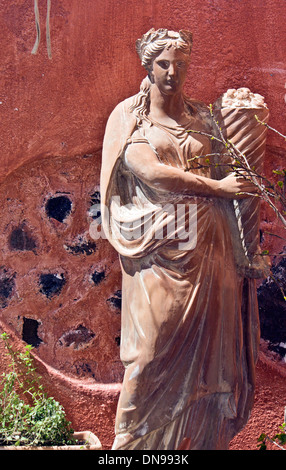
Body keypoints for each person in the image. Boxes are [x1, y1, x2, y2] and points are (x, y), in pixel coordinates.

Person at [100, 28, 260, 450]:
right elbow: (146, 168)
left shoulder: (203, 118)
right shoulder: (129, 117)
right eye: (163, 64)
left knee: (213, 356)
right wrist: (218, 188)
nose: (173, 72)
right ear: (148, 66)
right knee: (149, 351)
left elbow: (232, 171)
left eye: (181, 64)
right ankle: (130, 448)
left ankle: (203, 444)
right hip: (158, 248)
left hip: (210, 245)